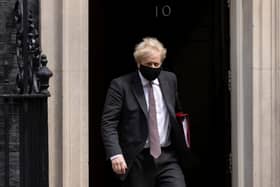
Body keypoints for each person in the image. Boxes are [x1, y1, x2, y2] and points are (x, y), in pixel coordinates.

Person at [101, 37, 191, 187]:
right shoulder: (121, 85)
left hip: (167, 156)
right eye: (148, 64)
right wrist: (115, 154)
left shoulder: (170, 80)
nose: (153, 67)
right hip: (138, 159)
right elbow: (108, 123)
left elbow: (176, 111)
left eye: (157, 64)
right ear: (138, 63)